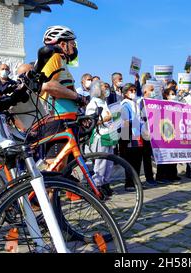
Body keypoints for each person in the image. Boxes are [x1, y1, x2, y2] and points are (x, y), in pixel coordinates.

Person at [35, 25, 87, 170]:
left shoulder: (62, 61)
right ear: (63, 44)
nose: (74, 47)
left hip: (66, 119)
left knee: (64, 167)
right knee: (54, 168)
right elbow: (47, 85)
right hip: (57, 120)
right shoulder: (55, 57)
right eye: (72, 43)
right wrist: (77, 97)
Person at [86, 81, 117, 196]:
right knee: (101, 163)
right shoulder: (93, 103)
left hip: (109, 134)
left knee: (109, 162)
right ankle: (97, 186)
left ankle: (105, 184)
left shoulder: (104, 102)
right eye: (105, 87)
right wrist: (105, 119)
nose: (107, 89)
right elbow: (89, 122)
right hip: (100, 135)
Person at [119, 83, 143, 192]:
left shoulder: (135, 104)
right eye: (131, 90)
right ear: (125, 93)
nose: (133, 92)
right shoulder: (125, 105)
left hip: (137, 134)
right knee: (129, 160)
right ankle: (129, 182)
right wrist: (125, 140)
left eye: (134, 90)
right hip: (128, 135)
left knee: (137, 160)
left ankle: (136, 181)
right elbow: (125, 122)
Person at [155, 88, 182, 183]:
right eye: (172, 94)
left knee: (173, 155)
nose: (174, 96)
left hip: (175, 133)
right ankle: (161, 176)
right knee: (164, 155)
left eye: (175, 94)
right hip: (164, 132)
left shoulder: (176, 105)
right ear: (166, 95)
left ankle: (172, 175)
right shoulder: (162, 105)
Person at [138, 84, 157, 186]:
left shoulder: (154, 103)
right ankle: (144, 178)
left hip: (153, 133)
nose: (153, 92)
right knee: (144, 156)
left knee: (148, 156)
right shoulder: (140, 102)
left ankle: (150, 177)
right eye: (151, 90)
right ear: (145, 92)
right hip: (143, 133)